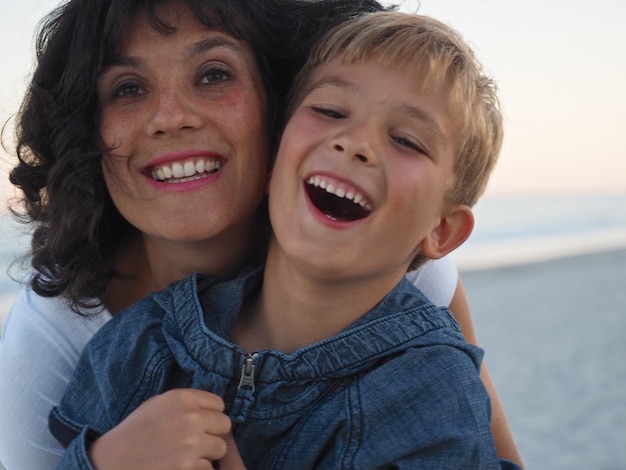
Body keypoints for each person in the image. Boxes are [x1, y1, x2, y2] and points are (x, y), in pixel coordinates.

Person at [0, 0, 522, 468]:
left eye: (213, 74)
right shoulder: (117, 341)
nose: (171, 117)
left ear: (274, 120)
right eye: (128, 88)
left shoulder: (408, 291)